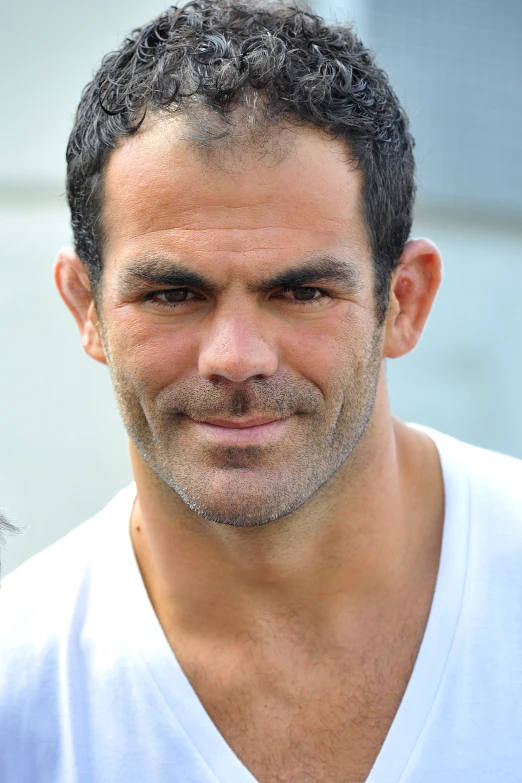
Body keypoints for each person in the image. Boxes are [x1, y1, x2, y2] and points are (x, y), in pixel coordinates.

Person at [1, 1, 521, 781]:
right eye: (173, 294)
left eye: (303, 292)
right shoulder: (18, 687)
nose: (236, 357)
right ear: (88, 310)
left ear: (404, 300)